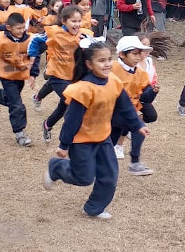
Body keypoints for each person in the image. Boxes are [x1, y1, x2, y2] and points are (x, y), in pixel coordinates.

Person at [43, 40, 149, 220]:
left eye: (109, 59)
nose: (107, 64)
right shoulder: (83, 89)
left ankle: (94, 208)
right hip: (81, 141)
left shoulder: (114, 81)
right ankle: (56, 168)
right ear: (89, 64)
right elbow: (71, 120)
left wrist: (138, 125)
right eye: (101, 61)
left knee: (109, 175)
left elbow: (126, 106)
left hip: (103, 138)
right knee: (84, 178)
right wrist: (64, 145)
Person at [29, 5, 92, 132]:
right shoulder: (54, 33)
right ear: (64, 21)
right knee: (73, 103)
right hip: (57, 75)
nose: (77, 24)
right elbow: (35, 40)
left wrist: (85, 44)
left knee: (63, 107)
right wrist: (32, 56)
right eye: (73, 21)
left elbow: (93, 51)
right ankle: (72, 137)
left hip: (73, 76)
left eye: (79, 21)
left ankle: (47, 124)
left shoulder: (84, 35)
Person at [0, 12, 37, 147]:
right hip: (6, 77)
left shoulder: (30, 39)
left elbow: (35, 55)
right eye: (18, 28)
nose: (22, 31)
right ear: (8, 27)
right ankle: (20, 133)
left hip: (20, 76)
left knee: (12, 101)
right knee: (17, 104)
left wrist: (33, 74)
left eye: (23, 28)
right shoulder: (0, 39)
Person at [110, 36, 158, 175]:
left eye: (140, 54)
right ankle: (135, 163)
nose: (138, 58)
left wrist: (153, 92)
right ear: (122, 54)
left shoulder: (141, 73)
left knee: (108, 145)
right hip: (110, 112)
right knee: (139, 127)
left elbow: (145, 97)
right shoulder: (111, 68)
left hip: (127, 112)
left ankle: (96, 164)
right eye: (134, 54)